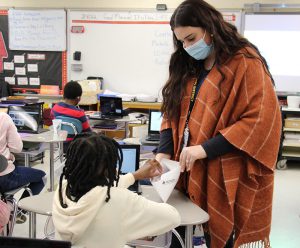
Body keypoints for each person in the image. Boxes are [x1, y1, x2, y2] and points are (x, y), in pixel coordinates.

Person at [155, 0, 282, 247]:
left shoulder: (245, 62)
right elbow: (171, 111)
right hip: (184, 171)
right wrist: (163, 152)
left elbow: (261, 119)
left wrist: (204, 149)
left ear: (210, 27)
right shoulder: (187, 63)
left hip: (224, 167)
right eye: (181, 41)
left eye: (191, 38)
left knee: (220, 235)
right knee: (179, 232)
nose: (187, 47)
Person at [52, 133, 181, 248]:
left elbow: (96, 193)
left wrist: (134, 176)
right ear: (108, 169)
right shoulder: (120, 199)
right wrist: (136, 228)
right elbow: (173, 217)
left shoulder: (62, 190)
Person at [0, 112, 46, 224]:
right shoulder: (3, 118)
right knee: (42, 177)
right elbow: (17, 148)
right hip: (4, 177)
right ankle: (15, 210)